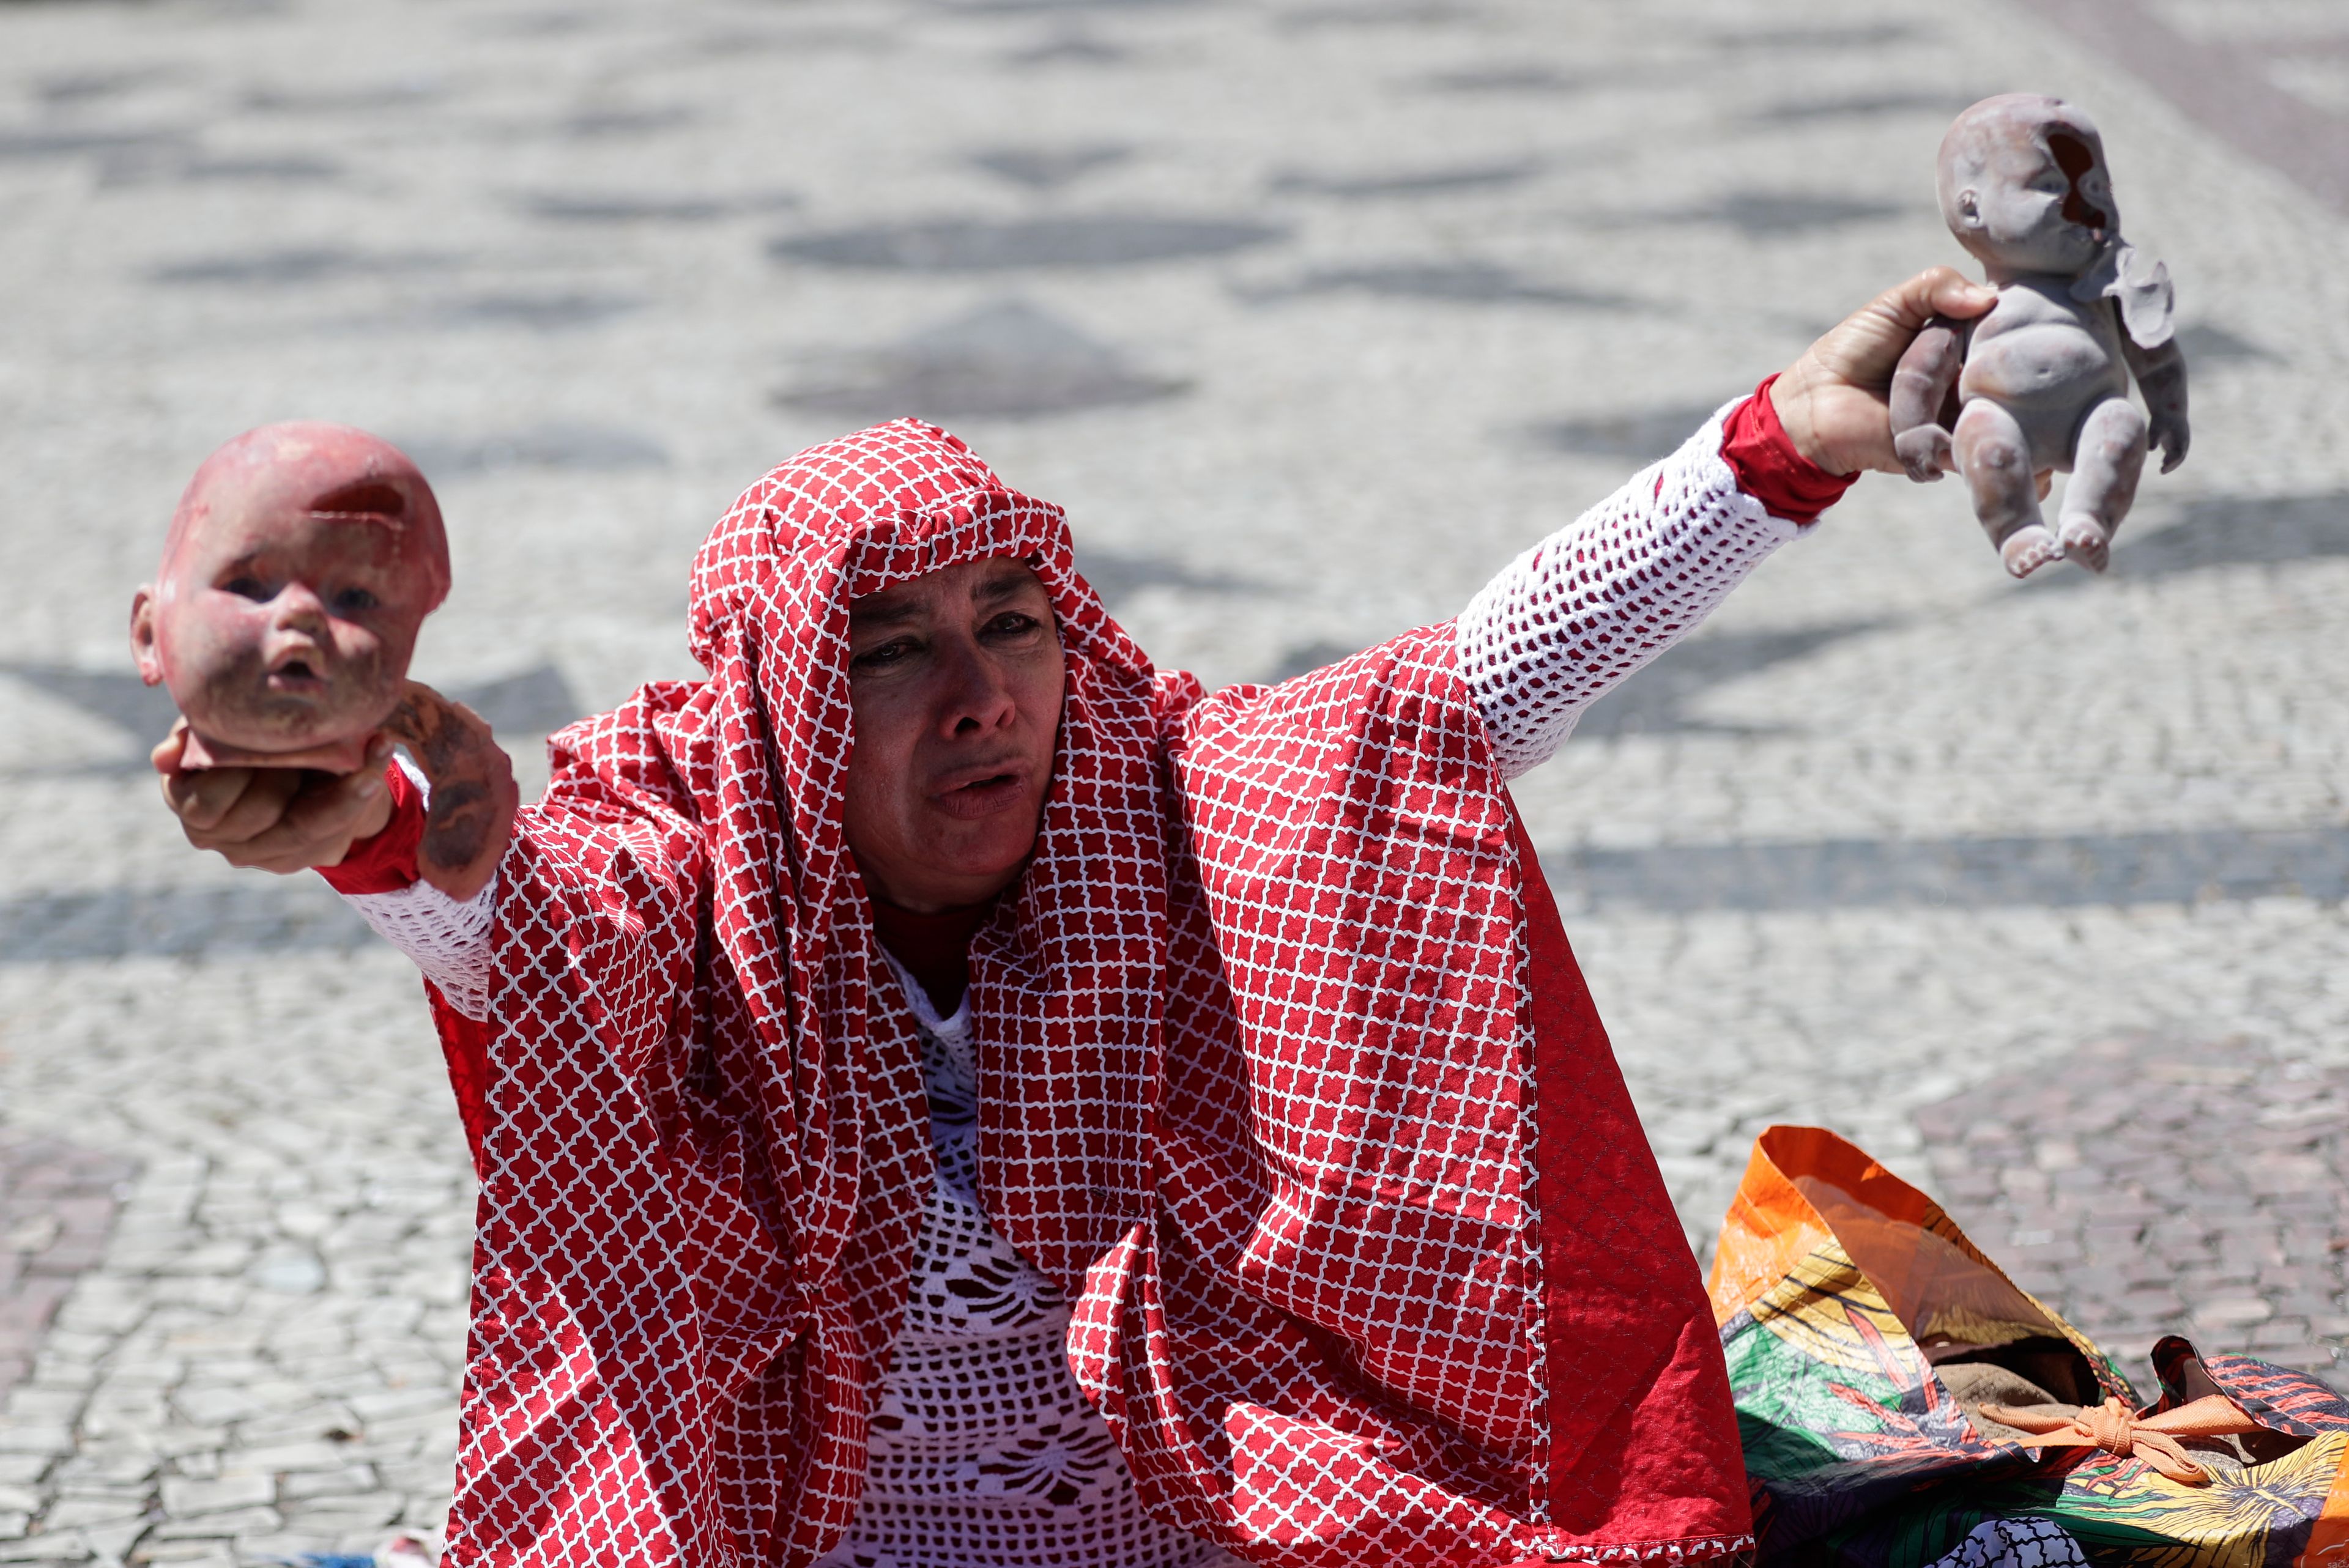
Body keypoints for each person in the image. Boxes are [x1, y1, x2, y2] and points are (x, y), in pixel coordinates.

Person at [158, 268, 1998, 1567]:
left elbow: (1474, 685)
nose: (982, 693)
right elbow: (516, 920)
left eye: (1012, 621)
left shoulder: (1181, 799)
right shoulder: (686, 864)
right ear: (784, 704)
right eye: (891, 649)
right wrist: (371, 826)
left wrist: (1781, 446)